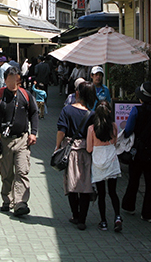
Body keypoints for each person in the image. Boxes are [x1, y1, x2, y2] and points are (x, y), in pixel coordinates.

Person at [0, 66, 39, 217]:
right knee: (6, 172)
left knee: (22, 171)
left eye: (16, 77)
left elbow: (34, 113)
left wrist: (33, 133)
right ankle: (7, 199)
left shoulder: (25, 95)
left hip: (22, 139)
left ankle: (20, 203)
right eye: (10, 77)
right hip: (5, 141)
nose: (13, 80)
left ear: (19, 79)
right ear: (5, 78)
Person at [121, 82, 151, 223]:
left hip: (138, 152)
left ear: (141, 98)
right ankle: (149, 214)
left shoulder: (135, 111)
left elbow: (128, 130)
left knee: (134, 179)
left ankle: (129, 206)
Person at [55, 81, 96, 230]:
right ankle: (82, 220)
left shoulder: (67, 110)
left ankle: (75, 214)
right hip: (87, 151)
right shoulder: (92, 114)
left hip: (70, 150)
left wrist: (58, 146)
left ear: (77, 94)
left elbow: (61, 130)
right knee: (85, 185)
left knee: (71, 184)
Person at [86, 100, 122, 232]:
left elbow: (89, 149)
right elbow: (115, 142)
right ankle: (117, 217)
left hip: (98, 160)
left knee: (102, 194)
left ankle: (103, 222)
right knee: (113, 192)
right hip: (111, 159)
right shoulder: (113, 126)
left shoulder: (92, 129)